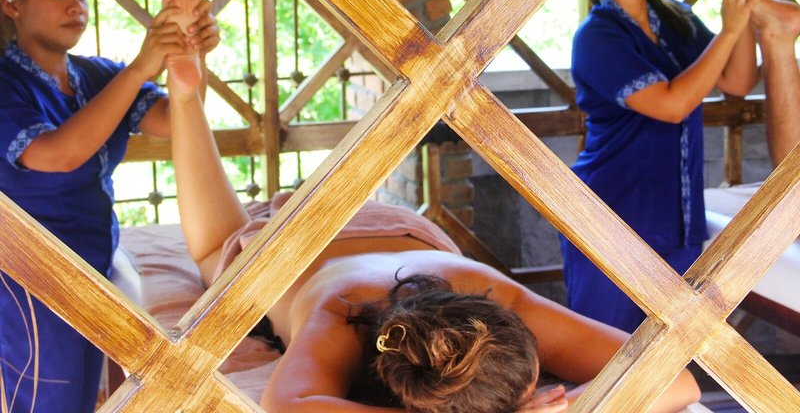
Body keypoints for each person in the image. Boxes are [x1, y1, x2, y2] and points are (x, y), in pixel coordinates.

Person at [164, 40, 701, 412]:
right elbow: (288, 407)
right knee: (217, 257)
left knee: (222, 253)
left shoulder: (503, 305)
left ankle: (187, 101)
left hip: (386, 232)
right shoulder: (344, 316)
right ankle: (186, 102)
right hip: (298, 250)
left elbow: (676, 378)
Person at [0, 0, 219, 413]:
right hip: (35, 280)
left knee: (90, 395)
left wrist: (188, 56)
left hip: (97, 263)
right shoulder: (6, 84)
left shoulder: (96, 76)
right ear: (11, 3)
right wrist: (142, 65)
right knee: (48, 398)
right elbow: (57, 155)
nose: (76, 6)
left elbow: (174, 118)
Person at [565, 0, 760, 333]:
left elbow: (739, 81)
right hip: (612, 215)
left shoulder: (676, 19)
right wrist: (729, 30)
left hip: (676, 216)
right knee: (610, 346)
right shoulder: (597, 37)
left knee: (671, 348)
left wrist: (741, 4)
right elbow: (671, 106)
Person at [720, 0, 800, 167]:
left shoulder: (677, 18)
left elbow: (737, 83)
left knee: (794, 182)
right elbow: (736, 83)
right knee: (793, 182)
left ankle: (774, 33)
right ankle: (774, 34)